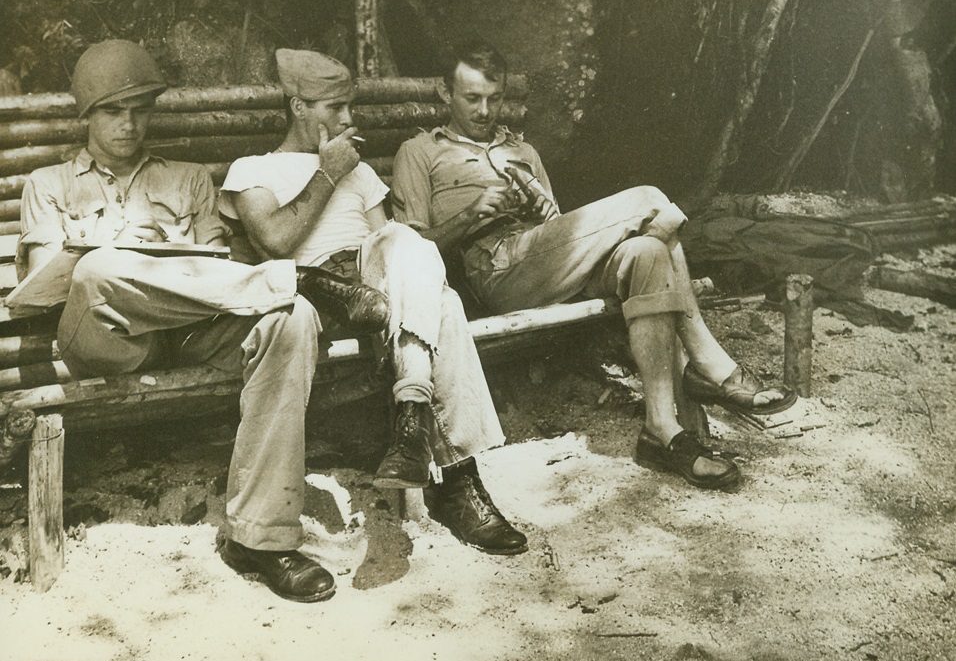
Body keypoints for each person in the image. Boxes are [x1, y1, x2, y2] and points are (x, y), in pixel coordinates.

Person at [18, 39, 395, 604]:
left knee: (289, 320)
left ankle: (260, 538)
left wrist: (172, 256)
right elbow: (46, 286)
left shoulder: (189, 180)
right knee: (97, 268)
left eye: (140, 110)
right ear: (87, 116)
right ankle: (301, 278)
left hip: (189, 333)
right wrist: (126, 254)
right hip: (104, 337)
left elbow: (215, 273)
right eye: (113, 112)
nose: (129, 124)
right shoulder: (47, 185)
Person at [391, 42, 797, 492]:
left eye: (495, 97)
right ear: (446, 94)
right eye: (472, 98)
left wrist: (541, 207)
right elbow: (410, 246)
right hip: (498, 270)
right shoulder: (419, 151)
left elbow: (564, 231)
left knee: (649, 254)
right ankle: (705, 362)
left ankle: (662, 430)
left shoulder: (522, 149)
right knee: (647, 199)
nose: (486, 110)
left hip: (549, 261)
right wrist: (473, 214)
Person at [218, 47, 527, 556]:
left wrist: (350, 175)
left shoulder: (360, 172)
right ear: (298, 107)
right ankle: (456, 483)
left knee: (414, 250)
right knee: (444, 308)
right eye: (333, 108)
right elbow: (273, 240)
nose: (346, 119)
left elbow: (396, 248)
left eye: (349, 107)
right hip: (314, 296)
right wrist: (327, 171)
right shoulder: (253, 170)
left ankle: (411, 419)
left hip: (378, 292)